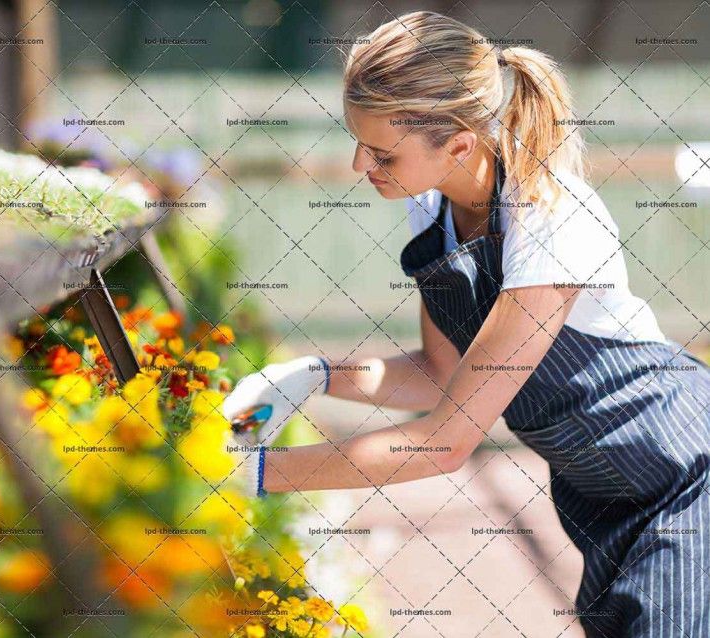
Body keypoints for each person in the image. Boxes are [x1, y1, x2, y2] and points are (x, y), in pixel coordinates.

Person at [221, 11, 710, 637]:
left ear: (457, 144)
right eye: (359, 141)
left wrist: (251, 473)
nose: (358, 164)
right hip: (599, 495)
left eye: (380, 152)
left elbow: (448, 440)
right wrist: (311, 376)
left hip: (679, 475)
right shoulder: (433, 207)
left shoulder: (552, 219)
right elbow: (439, 375)